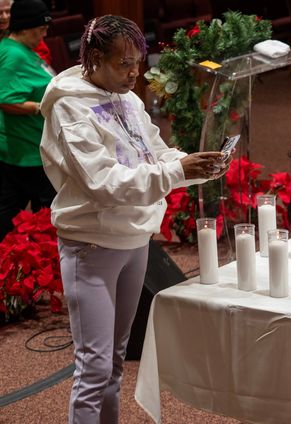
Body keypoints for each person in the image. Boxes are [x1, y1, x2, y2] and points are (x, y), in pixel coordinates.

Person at [39, 15, 229, 423]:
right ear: (93, 58)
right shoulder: (70, 108)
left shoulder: (126, 97)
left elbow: (153, 153)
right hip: (91, 244)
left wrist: (189, 164)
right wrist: (178, 172)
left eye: (138, 62)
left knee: (114, 362)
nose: (134, 72)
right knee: (92, 368)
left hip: (134, 239)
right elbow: (102, 182)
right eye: (124, 63)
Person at [0, 0, 54, 239]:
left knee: (20, 212)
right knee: (43, 211)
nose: (45, 32)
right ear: (25, 27)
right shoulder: (12, 55)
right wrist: (40, 107)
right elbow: (6, 99)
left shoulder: (24, 51)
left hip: (33, 149)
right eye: (40, 28)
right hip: (26, 152)